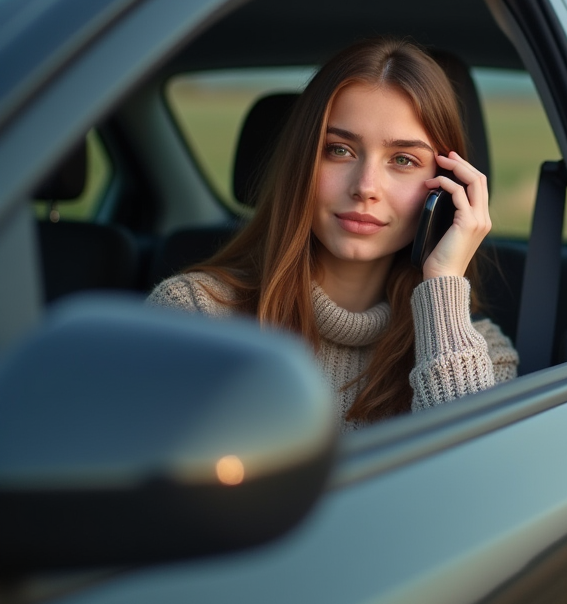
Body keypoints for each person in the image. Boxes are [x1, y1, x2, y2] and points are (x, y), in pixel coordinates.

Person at [148, 38, 517, 429]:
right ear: (301, 164)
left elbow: (470, 483)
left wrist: (443, 284)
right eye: (339, 150)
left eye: (403, 160)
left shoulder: (479, 354)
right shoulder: (192, 318)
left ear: (445, 187)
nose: (366, 186)